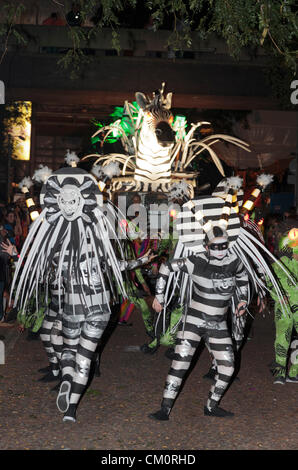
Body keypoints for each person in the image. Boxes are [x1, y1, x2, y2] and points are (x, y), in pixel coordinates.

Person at [11, 165, 155, 423]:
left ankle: (67, 386)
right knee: (84, 358)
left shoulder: (60, 250)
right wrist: (140, 261)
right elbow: (117, 263)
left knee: (70, 353)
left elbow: (38, 264)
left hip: (73, 309)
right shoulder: (96, 240)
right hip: (98, 309)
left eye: (72, 201)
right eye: (63, 201)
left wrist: (16, 256)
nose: (67, 206)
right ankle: (71, 408)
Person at [269, 220, 298, 384]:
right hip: (285, 307)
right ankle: (279, 372)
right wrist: (277, 295)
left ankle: (294, 372)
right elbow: (269, 281)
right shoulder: (279, 264)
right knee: (282, 338)